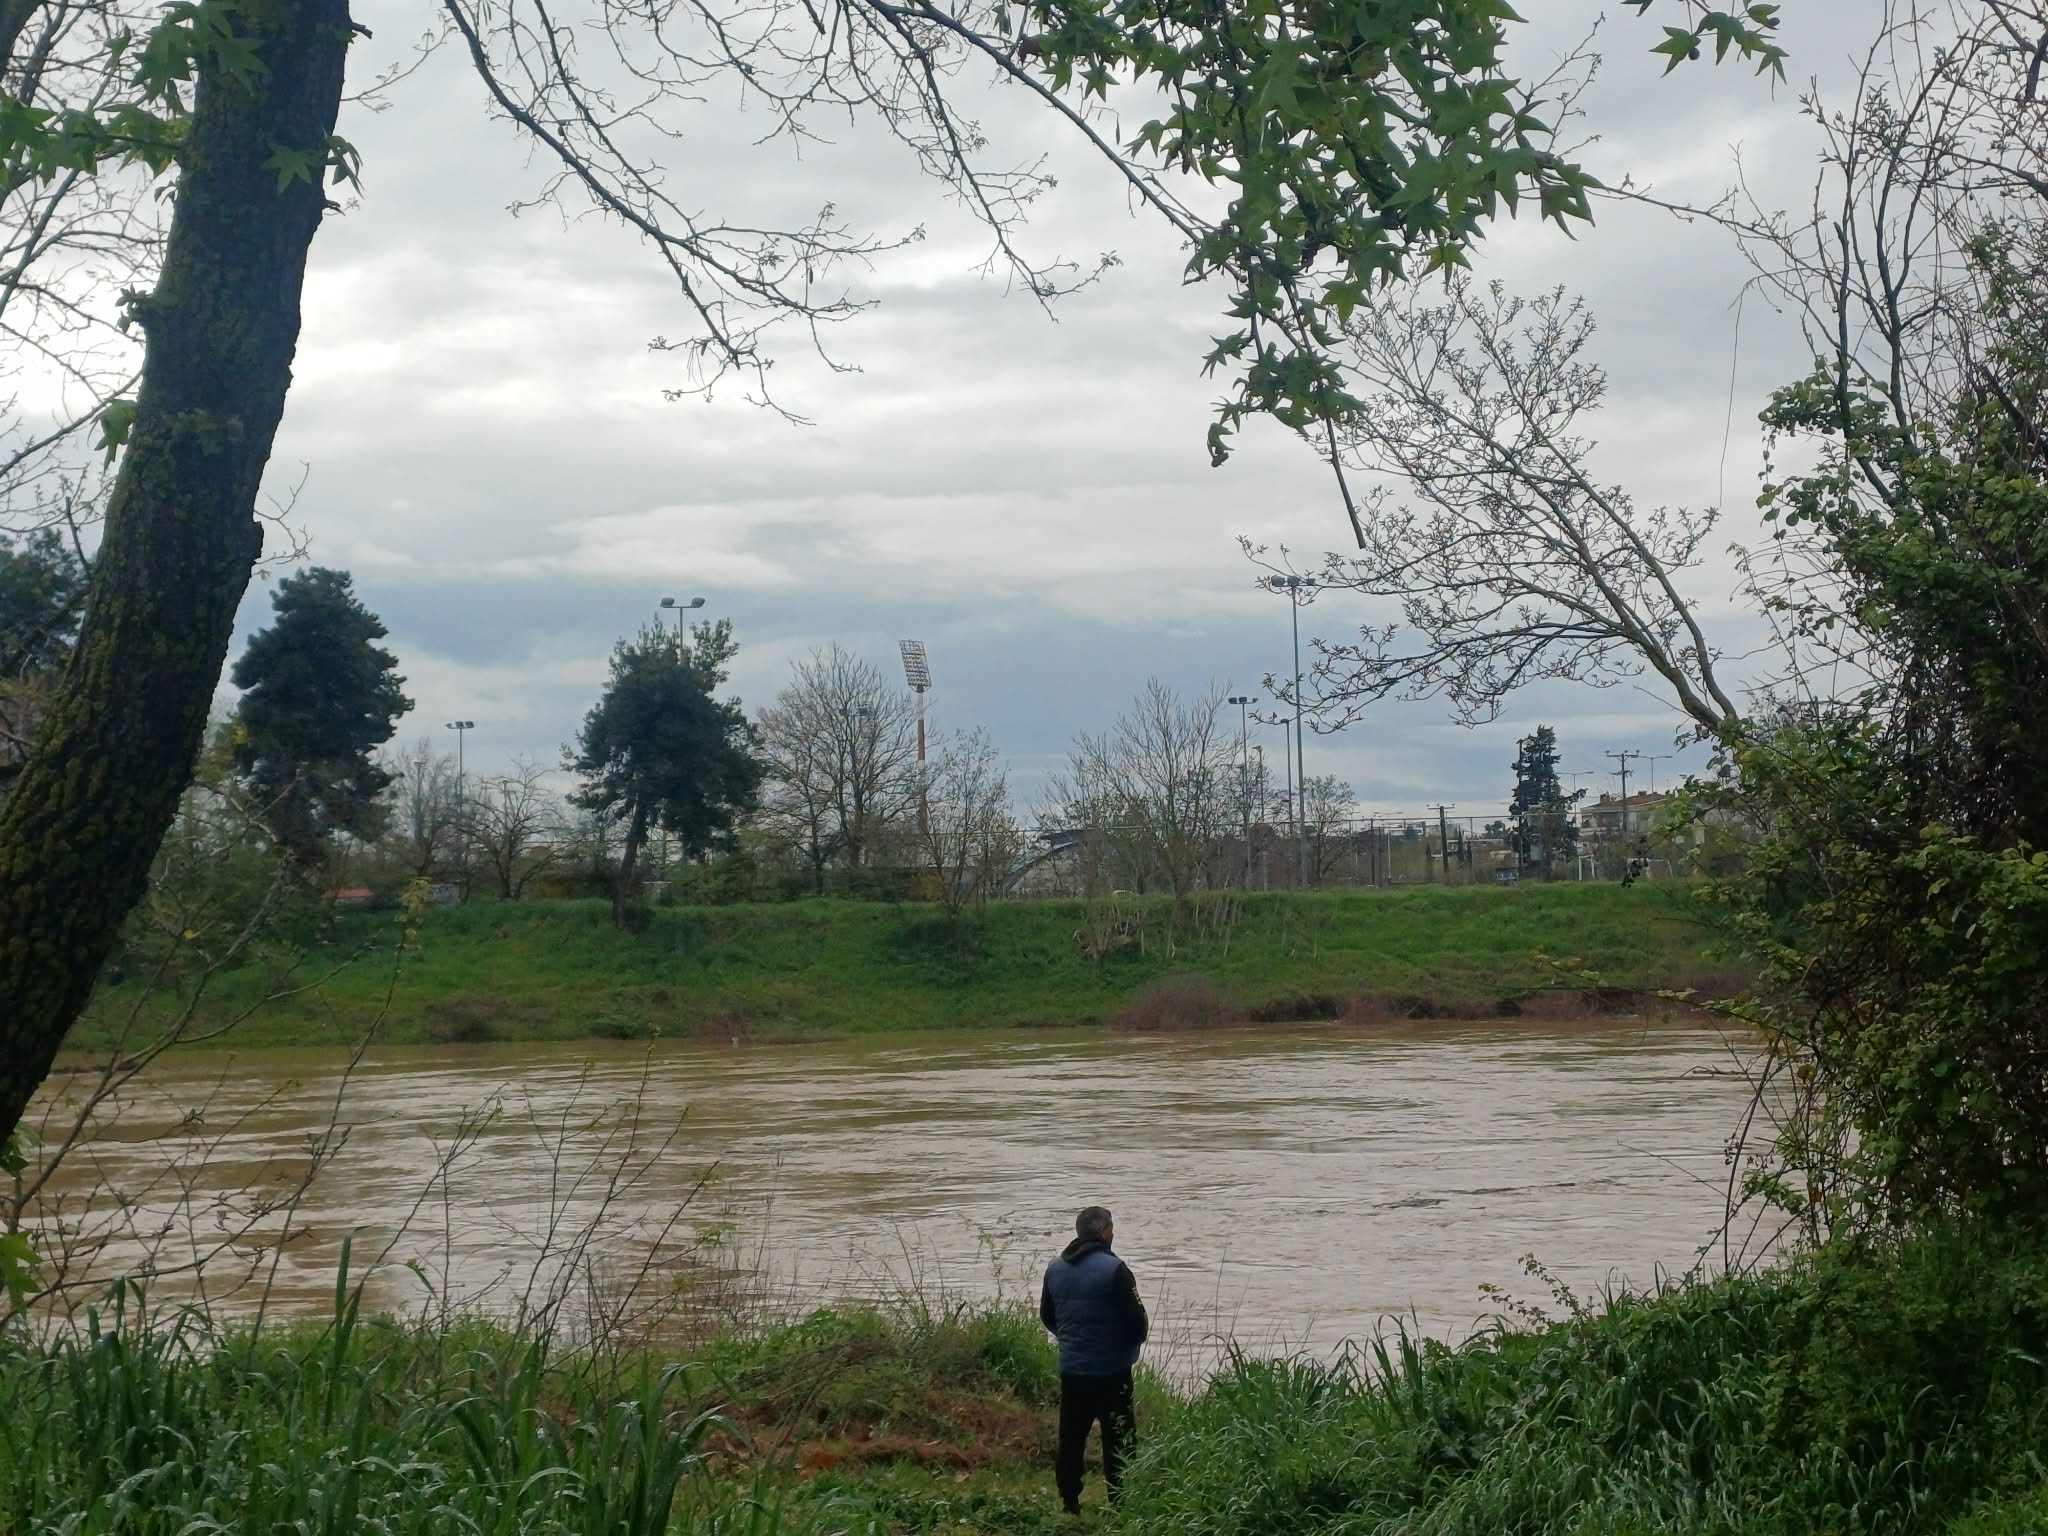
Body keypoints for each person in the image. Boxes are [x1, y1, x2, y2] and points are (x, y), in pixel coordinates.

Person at [1039, 1204, 1149, 1516]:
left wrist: (1072, 1341)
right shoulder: (1116, 1271)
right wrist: (1126, 1348)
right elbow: (1137, 1323)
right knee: (1120, 1440)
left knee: (1071, 1438)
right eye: (1111, 1229)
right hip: (1113, 1372)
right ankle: (1120, 1502)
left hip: (1073, 1371)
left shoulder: (1055, 1269)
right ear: (1103, 1232)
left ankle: (1069, 1502)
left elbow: (1048, 1316)